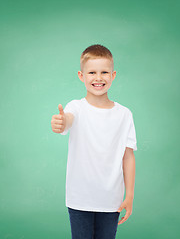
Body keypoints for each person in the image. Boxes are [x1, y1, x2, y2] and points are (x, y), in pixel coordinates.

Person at [51, 44, 137, 239]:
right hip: (79, 198)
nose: (98, 78)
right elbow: (68, 120)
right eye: (92, 72)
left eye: (104, 72)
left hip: (111, 200)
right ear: (82, 76)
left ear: (113, 75)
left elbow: (128, 156)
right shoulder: (76, 107)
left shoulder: (124, 114)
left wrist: (129, 195)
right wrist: (61, 122)